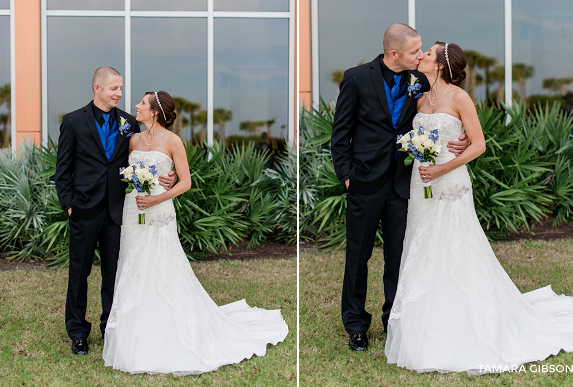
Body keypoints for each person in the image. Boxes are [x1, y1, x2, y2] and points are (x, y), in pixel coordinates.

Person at [385, 42, 573, 373]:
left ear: (440, 65)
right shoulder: (419, 97)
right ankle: (423, 326)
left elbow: (479, 143)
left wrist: (443, 166)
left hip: (449, 181)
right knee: (422, 247)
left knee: (455, 249)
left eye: (428, 52)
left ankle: (464, 325)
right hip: (420, 183)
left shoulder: (459, 97)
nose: (423, 55)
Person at [102, 91, 288, 375]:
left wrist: (159, 194)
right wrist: (140, 188)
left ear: (154, 111)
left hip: (160, 211)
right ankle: (134, 334)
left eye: (142, 103)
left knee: (162, 267)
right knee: (133, 266)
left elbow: (185, 182)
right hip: (134, 210)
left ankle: (169, 332)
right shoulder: (133, 139)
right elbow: (127, 171)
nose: (136, 107)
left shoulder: (173, 141)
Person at [330, 24, 469, 352]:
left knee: (399, 255)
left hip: (403, 184)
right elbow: (340, 133)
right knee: (358, 255)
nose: (420, 55)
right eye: (414, 51)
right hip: (364, 181)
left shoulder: (419, 79)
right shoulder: (356, 78)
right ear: (395, 53)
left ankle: (394, 318)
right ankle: (356, 325)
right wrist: (347, 175)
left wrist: (458, 137)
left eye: (422, 50)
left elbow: (445, 101)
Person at [54, 66, 175, 355]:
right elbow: (63, 171)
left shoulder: (130, 123)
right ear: (97, 88)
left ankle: (110, 326)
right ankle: (78, 332)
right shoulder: (72, 122)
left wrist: (166, 177)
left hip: (118, 211)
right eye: (114, 89)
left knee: (114, 273)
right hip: (83, 210)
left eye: (121, 88)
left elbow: (144, 156)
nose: (120, 93)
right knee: (79, 273)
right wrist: (70, 205)